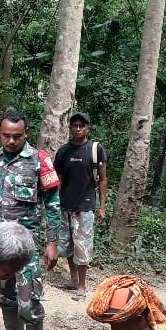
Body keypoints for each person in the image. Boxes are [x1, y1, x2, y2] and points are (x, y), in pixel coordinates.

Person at [0, 109, 62, 330]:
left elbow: (52, 204)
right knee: (4, 295)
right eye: (6, 135)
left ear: (26, 134)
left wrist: (53, 243)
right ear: (0, 134)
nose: (11, 141)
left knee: (28, 298)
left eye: (17, 136)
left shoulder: (40, 161)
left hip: (25, 248)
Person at [53, 112, 108, 298]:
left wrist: (102, 206)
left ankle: (82, 286)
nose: (78, 129)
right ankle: (73, 278)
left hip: (85, 207)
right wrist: (53, 203)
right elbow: (58, 179)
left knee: (82, 247)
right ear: (70, 128)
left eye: (81, 126)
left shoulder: (95, 149)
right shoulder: (63, 151)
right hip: (65, 205)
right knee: (68, 246)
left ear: (87, 128)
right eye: (74, 125)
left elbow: (102, 179)